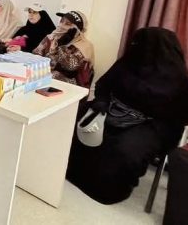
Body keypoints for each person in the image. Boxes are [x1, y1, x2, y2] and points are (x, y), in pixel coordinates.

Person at [66, 27, 188, 205]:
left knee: (125, 149)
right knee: (75, 121)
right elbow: (104, 85)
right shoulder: (128, 63)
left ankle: (106, 189)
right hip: (113, 109)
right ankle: (67, 169)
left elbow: (180, 116)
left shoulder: (179, 81)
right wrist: (101, 101)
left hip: (152, 123)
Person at [33, 10, 94, 86]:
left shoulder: (84, 45)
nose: (61, 25)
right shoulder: (52, 37)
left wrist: (62, 45)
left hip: (70, 84)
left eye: (67, 24)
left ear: (77, 30)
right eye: (61, 21)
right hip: (45, 79)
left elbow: (70, 66)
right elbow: (36, 54)